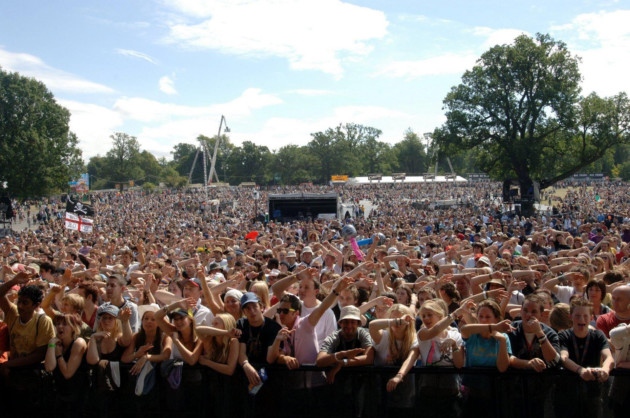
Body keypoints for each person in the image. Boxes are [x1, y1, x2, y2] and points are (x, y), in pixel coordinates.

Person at [0, 272, 55, 413]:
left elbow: (40, 354)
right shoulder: (13, 314)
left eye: (26, 303)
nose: (20, 306)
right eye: (19, 301)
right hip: (12, 372)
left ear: (36, 305)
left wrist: (9, 364)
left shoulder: (43, 321)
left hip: (31, 375)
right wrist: (12, 281)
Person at [556, 298, 614, 418]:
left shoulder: (598, 335)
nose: (581, 319)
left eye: (585, 316)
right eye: (577, 316)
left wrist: (605, 369)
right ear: (570, 316)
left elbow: (608, 357)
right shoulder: (564, 335)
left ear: (591, 318)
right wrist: (580, 370)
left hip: (592, 392)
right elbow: (563, 358)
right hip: (568, 392)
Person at [507, 293, 561, 418]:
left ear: (541, 315)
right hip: (515, 394)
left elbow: (554, 361)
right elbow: (506, 357)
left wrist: (540, 334)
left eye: (533, 312)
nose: (528, 315)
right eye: (525, 310)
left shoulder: (550, 333)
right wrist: (528, 364)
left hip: (542, 394)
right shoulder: (512, 330)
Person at [317, 305, 375, 418]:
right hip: (336, 389)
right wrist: (341, 355)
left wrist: (343, 363)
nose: (349, 326)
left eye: (353, 322)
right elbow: (320, 361)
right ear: (340, 323)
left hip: (360, 387)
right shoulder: (334, 337)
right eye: (346, 322)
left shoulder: (363, 334)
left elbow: (369, 357)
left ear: (358, 324)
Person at [460, 299, 513, 418]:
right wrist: (492, 327)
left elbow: (502, 367)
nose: (483, 320)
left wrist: (502, 341)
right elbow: (464, 329)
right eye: (481, 316)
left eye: (488, 317)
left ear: (496, 318)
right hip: (473, 392)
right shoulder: (472, 334)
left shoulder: (503, 337)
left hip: (495, 393)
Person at [417, 299, 466, 418]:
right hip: (428, 389)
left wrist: (454, 345)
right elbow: (435, 330)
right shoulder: (422, 333)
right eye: (423, 316)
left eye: (429, 315)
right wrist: (455, 314)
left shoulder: (455, 334)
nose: (426, 318)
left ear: (440, 316)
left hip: (450, 389)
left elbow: (459, 364)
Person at [155, 300, 204, 418]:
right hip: (176, 382)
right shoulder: (173, 331)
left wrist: (176, 341)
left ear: (190, 319)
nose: (178, 322)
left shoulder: (200, 336)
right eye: (175, 319)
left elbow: (191, 360)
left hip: (194, 384)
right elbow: (157, 316)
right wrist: (176, 304)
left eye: (181, 318)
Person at [121, 303, 172, 415]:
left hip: (159, 380)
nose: (148, 321)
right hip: (139, 377)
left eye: (153, 319)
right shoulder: (137, 336)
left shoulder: (165, 336)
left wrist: (147, 357)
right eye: (146, 318)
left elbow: (166, 355)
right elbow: (124, 358)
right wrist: (137, 355)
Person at [236, 291, 282, 416]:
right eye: (247, 308)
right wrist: (246, 365)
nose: (252, 311)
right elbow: (241, 351)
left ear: (261, 307)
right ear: (244, 311)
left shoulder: (273, 327)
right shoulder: (241, 324)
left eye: (254, 306)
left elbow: (270, 359)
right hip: (246, 375)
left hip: (269, 377)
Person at [369, 304, 419, 415]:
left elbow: (411, 358)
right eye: (394, 318)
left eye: (401, 319)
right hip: (382, 393)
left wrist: (399, 376)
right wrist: (395, 321)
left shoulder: (414, 339)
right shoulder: (383, 337)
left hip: (405, 394)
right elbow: (372, 325)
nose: (398, 322)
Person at [86, 304, 133, 418]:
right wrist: (92, 339)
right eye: (104, 318)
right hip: (101, 389)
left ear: (116, 321)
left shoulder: (119, 337)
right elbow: (92, 361)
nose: (106, 321)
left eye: (110, 318)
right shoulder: (96, 339)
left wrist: (125, 321)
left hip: (120, 388)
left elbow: (127, 340)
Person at [44, 313, 89, 418]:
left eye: (65, 324)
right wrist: (51, 344)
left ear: (73, 328)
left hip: (77, 397)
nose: (60, 326)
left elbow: (68, 373)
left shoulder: (79, 343)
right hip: (60, 395)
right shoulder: (56, 344)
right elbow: (49, 367)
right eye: (58, 324)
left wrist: (59, 355)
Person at [196, 313, 240, 418]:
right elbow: (198, 329)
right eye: (212, 324)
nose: (212, 326)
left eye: (216, 323)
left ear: (226, 324)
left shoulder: (233, 342)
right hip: (210, 387)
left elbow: (229, 369)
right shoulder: (210, 340)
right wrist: (225, 332)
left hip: (226, 389)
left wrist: (207, 362)